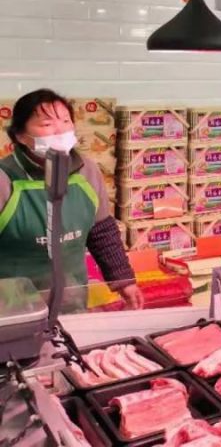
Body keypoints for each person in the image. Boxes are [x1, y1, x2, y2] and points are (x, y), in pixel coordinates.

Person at [0, 90, 142, 309]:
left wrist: (123, 280)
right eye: (47, 124)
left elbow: (101, 231)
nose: (60, 130)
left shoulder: (87, 170)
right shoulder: (5, 178)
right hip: (13, 307)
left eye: (66, 121)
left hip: (71, 300)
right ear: (20, 135)